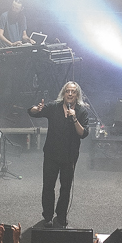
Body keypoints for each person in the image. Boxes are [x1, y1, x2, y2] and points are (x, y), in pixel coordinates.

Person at [28, 82, 89, 229]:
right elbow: (33, 112)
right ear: (63, 93)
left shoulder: (81, 111)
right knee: (48, 186)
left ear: (77, 95)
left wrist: (74, 118)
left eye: (73, 92)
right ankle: (48, 216)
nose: (70, 94)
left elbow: (83, 133)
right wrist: (36, 109)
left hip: (69, 156)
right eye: (67, 91)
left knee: (65, 188)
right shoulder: (54, 107)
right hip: (51, 153)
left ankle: (61, 216)